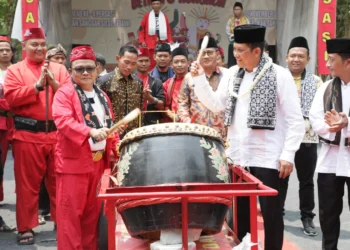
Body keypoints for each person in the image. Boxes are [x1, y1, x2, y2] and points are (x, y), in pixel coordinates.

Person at [191, 24, 304, 250]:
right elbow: (215, 104)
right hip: (239, 156)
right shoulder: (233, 74)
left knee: (271, 215)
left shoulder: (280, 76)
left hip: (270, 158)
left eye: (241, 50)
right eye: (235, 50)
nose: (235, 55)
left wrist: (288, 154)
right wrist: (199, 79)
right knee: (240, 214)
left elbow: (295, 120)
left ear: (256, 51)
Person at [4, 27, 71, 245]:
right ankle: (26, 227)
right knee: (27, 186)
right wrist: (36, 87)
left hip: (57, 135)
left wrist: (53, 83)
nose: (40, 48)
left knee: (60, 183)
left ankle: (63, 223)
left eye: (43, 44)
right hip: (27, 135)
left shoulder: (59, 69)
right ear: (24, 47)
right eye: (34, 44)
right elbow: (12, 99)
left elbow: (72, 96)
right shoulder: (15, 70)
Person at [53, 45, 118, 250]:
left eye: (89, 68)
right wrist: (89, 131)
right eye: (79, 69)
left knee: (92, 217)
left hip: (98, 164)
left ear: (97, 69)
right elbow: (63, 121)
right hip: (74, 165)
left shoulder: (102, 95)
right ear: (71, 71)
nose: (85, 73)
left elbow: (110, 127)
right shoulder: (64, 93)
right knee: (70, 218)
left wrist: (119, 146)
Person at [279, 36, 323, 236]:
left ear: (308, 59)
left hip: (307, 137)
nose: (296, 59)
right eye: (293, 55)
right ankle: (276, 214)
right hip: (282, 137)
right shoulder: (278, 77)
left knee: (306, 180)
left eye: (300, 56)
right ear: (286, 57)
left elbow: (321, 109)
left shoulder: (316, 81)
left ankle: (307, 217)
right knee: (280, 178)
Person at [309, 38, 350, 250]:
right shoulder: (325, 88)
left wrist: (347, 123)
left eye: (332, 60)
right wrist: (331, 127)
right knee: (328, 215)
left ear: (348, 62)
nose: (328, 64)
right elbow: (315, 118)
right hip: (329, 160)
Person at [177, 37, 227, 139]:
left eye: (209, 53)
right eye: (203, 53)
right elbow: (182, 104)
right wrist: (188, 123)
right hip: (197, 134)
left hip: (222, 135)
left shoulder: (227, 75)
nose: (206, 56)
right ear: (198, 56)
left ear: (217, 55)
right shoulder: (189, 77)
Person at [97, 45, 143, 137]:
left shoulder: (138, 82)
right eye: (126, 62)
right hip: (112, 132)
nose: (129, 67)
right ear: (118, 58)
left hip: (134, 133)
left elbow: (140, 107)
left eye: (133, 64)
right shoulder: (104, 81)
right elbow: (99, 110)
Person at [0, 35, 14, 203]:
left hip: (21, 122)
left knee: (26, 167)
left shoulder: (19, 69)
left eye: (7, 50)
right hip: (1, 122)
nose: (4, 53)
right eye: (0, 50)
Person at [138, 0, 173, 70]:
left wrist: (170, 40)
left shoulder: (164, 17)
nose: (156, 5)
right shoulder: (146, 16)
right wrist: (142, 40)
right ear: (152, 5)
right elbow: (141, 30)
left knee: (162, 62)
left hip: (162, 43)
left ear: (160, 5)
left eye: (157, 4)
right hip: (150, 44)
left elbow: (168, 30)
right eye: (154, 4)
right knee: (151, 63)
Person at [135, 47, 165, 125]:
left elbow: (162, 106)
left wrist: (150, 98)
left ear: (150, 62)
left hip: (152, 123)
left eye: (146, 61)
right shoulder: (129, 80)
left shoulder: (157, 82)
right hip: (133, 122)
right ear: (135, 62)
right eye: (140, 61)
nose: (144, 64)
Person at [162, 47, 190, 123]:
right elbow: (164, 106)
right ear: (171, 65)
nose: (179, 65)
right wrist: (170, 114)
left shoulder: (195, 82)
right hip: (173, 122)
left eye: (183, 61)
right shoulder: (167, 84)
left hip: (191, 122)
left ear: (188, 63)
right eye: (176, 62)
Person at [226, 2, 249, 68]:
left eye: (238, 9)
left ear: (241, 10)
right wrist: (234, 36)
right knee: (232, 62)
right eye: (235, 10)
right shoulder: (230, 21)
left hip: (243, 44)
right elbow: (228, 32)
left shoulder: (246, 20)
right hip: (233, 43)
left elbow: (248, 31)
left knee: (243, 61)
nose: (236, 11)